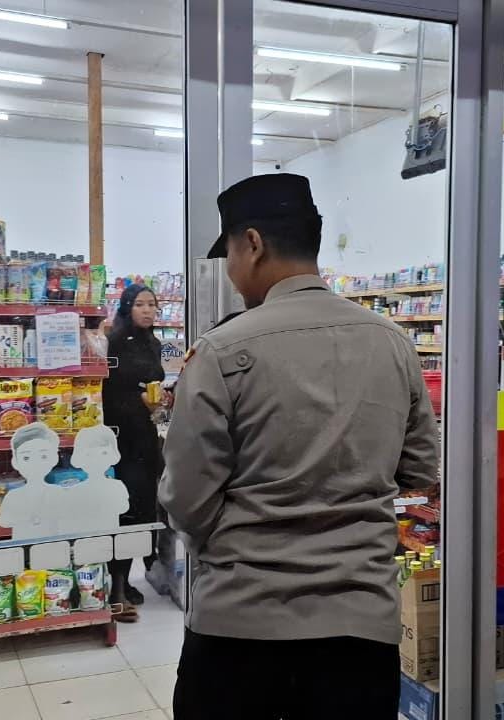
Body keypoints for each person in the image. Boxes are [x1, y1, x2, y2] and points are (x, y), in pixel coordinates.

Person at [159, 173, 440, 719]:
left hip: (239, 625)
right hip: (359, 628)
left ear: (253, 243)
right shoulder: (392, 343)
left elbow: (188, 499)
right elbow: (419, 468)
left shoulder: (220, 351)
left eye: (230, 254)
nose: (231, 271)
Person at [102, 283, 166, 621]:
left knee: (143, 509)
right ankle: (115, 588)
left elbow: (152, 384)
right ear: (127, 307)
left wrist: (162, 398)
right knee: (122, 510)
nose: (147, 310)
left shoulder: (154, 344)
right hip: (118, 440)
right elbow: (106, 392)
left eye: (152, 304)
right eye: (140, 304)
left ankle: (126, 582)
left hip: (145, 436)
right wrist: (137, 401)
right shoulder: (112, 342)